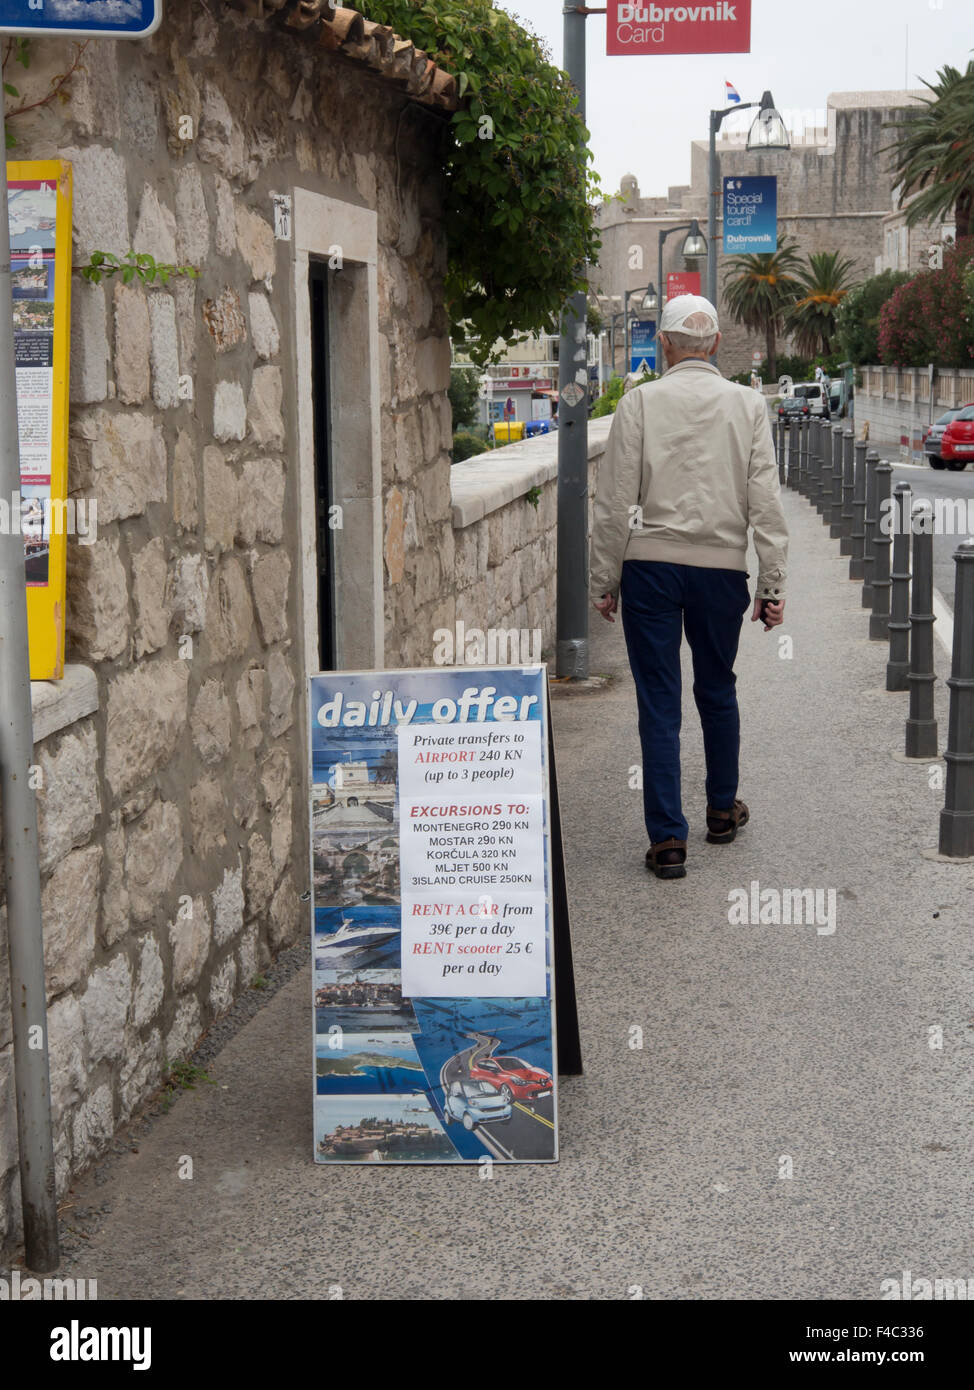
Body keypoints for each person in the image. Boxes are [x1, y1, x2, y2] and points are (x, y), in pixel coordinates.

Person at [590, 294, 789, 880]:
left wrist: (605, 580)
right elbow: (766, 503)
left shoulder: (640, 402)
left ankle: (668, 840)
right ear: (718, 345)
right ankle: (723, 809)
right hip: (721, 569)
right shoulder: (749, 405)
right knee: (717, 687)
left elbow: (613, 501)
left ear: (667, 346)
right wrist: (771, 585)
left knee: (659, 700)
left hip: (650, 567)